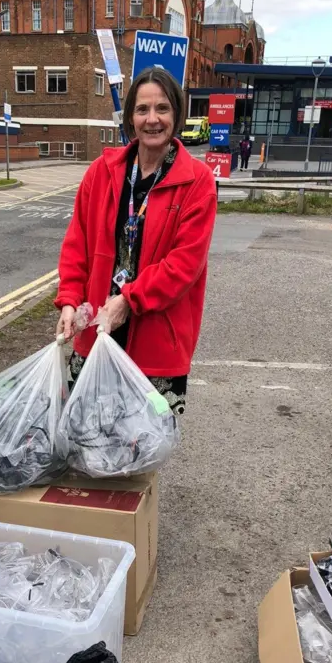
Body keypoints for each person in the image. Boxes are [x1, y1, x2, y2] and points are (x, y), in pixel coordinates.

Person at [54, 67, 217, 415]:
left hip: (157, 345)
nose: (152, 119)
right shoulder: (101, 172)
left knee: (140, 456)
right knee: (84, 445)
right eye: (143, 109)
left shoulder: (197, 182)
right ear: (130, 117)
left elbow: (184, 265)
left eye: (162, 109)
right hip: (97, 335)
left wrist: (129, 300)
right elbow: (77, 245)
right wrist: (69, 299)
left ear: (176, 114)